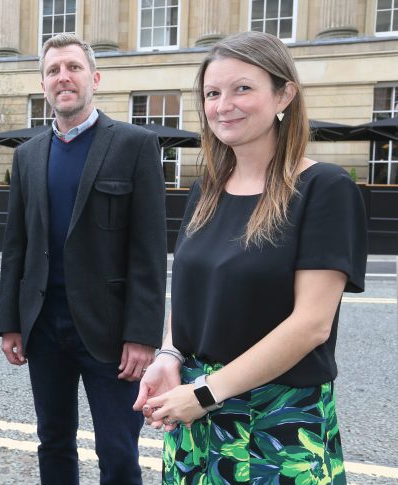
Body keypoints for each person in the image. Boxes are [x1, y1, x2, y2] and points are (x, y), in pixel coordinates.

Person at [133, 31, 367, 484]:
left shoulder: (325, 189)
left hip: (278, 420)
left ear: (284, 95)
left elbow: (311, 325)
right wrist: (168, 354)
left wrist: (203, 394)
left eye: (243, 88)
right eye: (212, 93)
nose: (224, 105)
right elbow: (189, 294)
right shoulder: (206, 191)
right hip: (196, 414)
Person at [0, 33, 167, 485]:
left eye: (72, 67)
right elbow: (17, 246)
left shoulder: (134, 144)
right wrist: (10, 322)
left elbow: (149, 250)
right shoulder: (29, 155)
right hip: (44, 329)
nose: (63, 77)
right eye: (53, 71)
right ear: (44, 84)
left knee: (117, 450)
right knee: (53, 441)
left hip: (110, 333)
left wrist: (142, 334)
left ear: (94, 78)